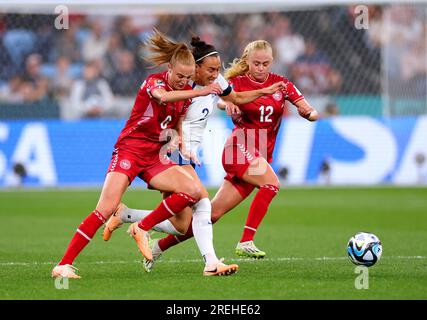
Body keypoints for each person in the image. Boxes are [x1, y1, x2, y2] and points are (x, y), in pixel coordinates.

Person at [103, 39, 316, 271]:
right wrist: (178, 142)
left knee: (183, 224)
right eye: (211, 70)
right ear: (195, 68)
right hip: (173, 150)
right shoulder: (182, 88)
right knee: (203, 202)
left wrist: (239, 98)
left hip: (191, 152)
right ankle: (212, 261)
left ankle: (128, 216)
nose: (216, 74)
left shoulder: (216, 80)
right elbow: (169, 116)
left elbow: (232, 97)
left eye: (218, 69)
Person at [51, 29, 236, 279]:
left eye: (188, 77)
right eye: (180, 75)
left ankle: (141, 226)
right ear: (169, 67)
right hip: (130, 149)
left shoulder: (183, 95)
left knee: (193, 192)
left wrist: (180, 144)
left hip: (154, 155)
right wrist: (200, 91)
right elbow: (165, 96)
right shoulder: (155, 83)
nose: (183, 80)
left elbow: (177, 121)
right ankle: (63, 264)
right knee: (104, 209)